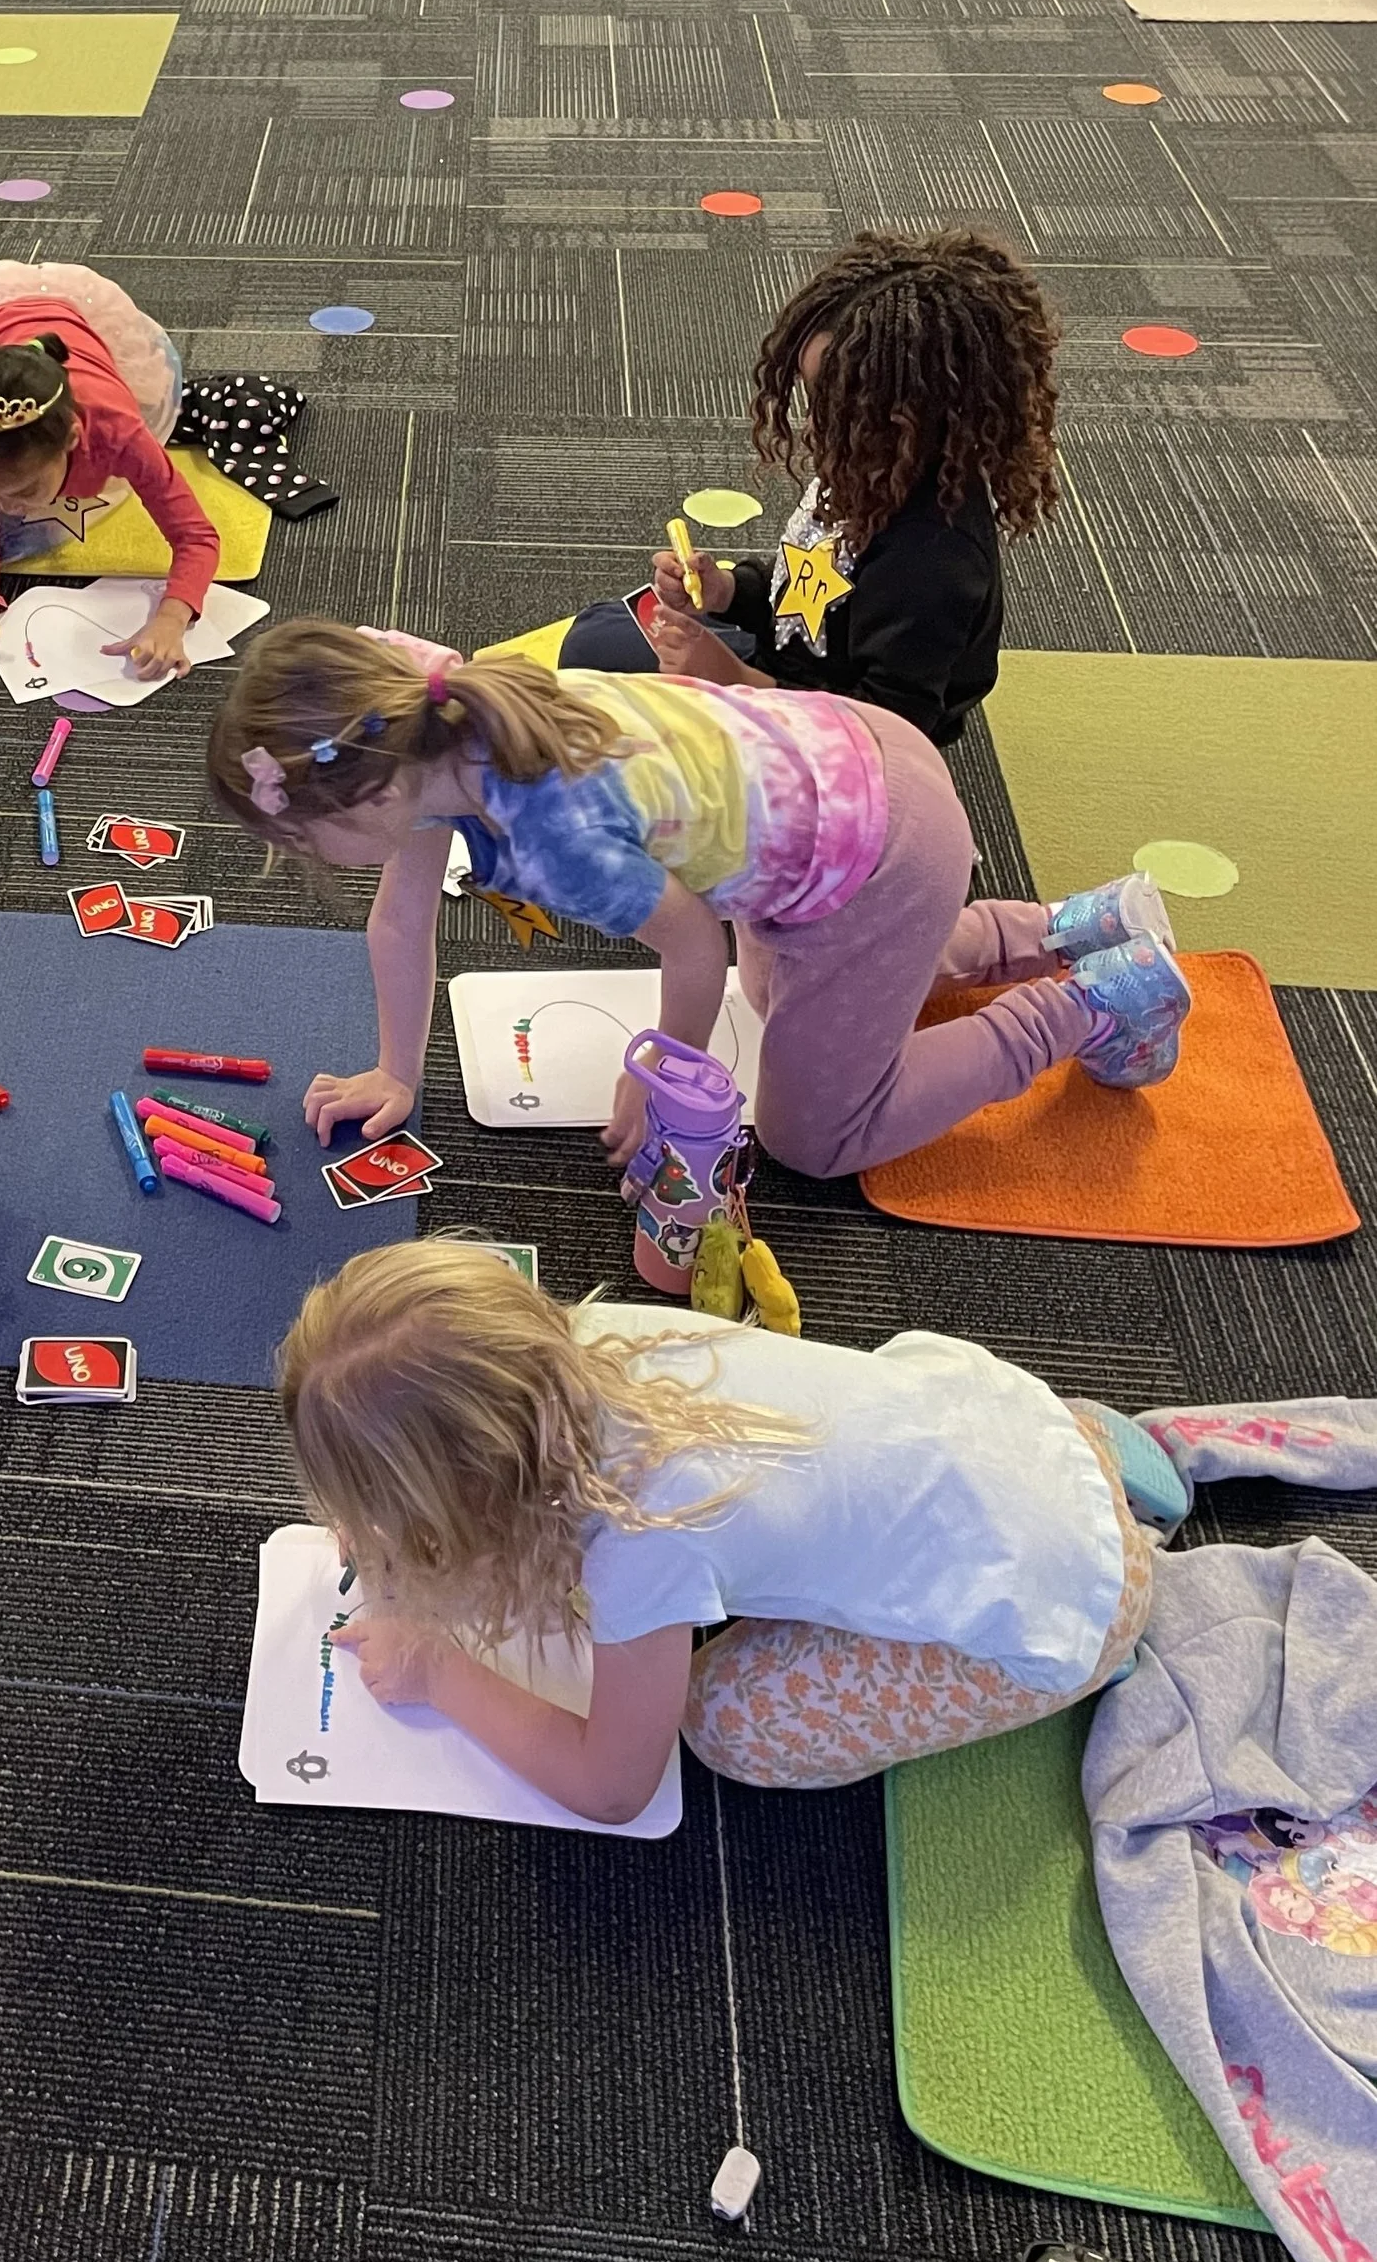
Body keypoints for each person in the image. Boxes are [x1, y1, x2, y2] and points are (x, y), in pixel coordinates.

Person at [205, 622, 1187, 1182]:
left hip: (878, 857)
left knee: (815, 1136)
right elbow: (399, 919)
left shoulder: (554, 834)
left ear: (373, 795)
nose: (293, 856)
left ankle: (1094, 998)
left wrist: (659, 1068)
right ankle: (1063, 927)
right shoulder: (427, 711)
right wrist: (393, 1071)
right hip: (855, 757)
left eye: (295, 837)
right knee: (788, 998)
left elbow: (690, 949)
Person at [278, 1242, 1158, 1818]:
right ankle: (1105, 1458)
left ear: (472, 1499)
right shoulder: (589, 1339)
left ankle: (1090, 1640)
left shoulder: (642, 1533)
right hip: (1020, 1425)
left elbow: (614, 1786)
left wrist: (439, 1669)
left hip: (1063, 1598)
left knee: (729, 1721)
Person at [563, 228, 1061, 749]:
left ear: (905, 415)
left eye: (834, 404)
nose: (813, 423)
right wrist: (726, 592)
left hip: (835, 730)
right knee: (596, 634)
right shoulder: (870, 465)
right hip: (792, 667)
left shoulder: (932, 557)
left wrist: (735, 681)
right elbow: (804, 595)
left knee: (593, 678)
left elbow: (890, 726)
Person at [0, 262, 215, 680]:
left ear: (73, 438)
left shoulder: (119, 434)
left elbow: (196, 535)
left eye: (22, 488)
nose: (6, 507)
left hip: (75, 325)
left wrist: (171, 618)